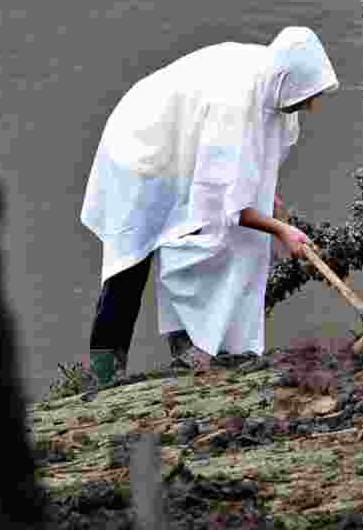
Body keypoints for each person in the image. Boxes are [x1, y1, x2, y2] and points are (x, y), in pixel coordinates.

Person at [81, 26, 338, 384]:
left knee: (215, 243)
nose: (311, 106)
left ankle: (192, 347)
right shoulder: (232, 105)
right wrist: (281, 230)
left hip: (188, 145)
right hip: (144, 150)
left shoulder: (276, 93)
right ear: (286, 80)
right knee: (130, 265)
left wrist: (274, 206)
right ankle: (102, 375)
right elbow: (223, 207)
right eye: (306, 96)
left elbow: (252, 169)